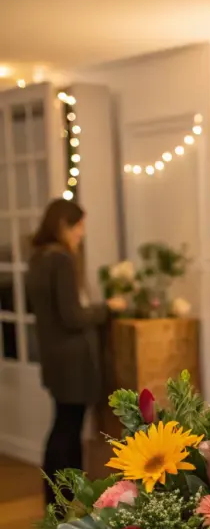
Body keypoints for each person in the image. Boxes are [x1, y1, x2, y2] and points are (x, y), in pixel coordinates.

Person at [27, 200, 106, 505]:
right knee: (68, 430)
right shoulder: (61, 259)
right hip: (73, 361)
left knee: (63, 425)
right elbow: (72, 316)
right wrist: (105, 310)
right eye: (79, 227)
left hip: (53, 357)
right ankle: (66, 501)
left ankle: (58, 499)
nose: (81, 234)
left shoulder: (39, 257)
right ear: (64, 225)